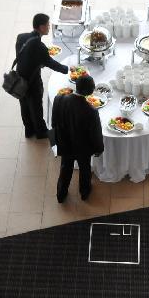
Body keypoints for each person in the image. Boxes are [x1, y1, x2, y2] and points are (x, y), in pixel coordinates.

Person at [15, 13, 70, 139]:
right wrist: (67, 69)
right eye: (47, 25)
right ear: (41, 27)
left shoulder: (21, 37)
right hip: (32, 82)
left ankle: (29, 131)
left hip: (19, 79)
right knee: (36, 107)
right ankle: (41, 132)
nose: (49, 27)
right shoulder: (40, 47)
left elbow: (21, 55)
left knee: (24, 105)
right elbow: (51, 63)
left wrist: (36, 62)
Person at [50, 75, 103, 203]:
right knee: (85, 169)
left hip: (64, 143)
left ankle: (61, 194)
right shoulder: (91, 111)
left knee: (65, 168)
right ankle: (84, 192)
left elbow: (54, 123)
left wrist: (54, 142)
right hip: (82, 148)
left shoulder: (59, 99)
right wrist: (99, 149)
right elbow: (95, 134)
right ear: (90, 92)